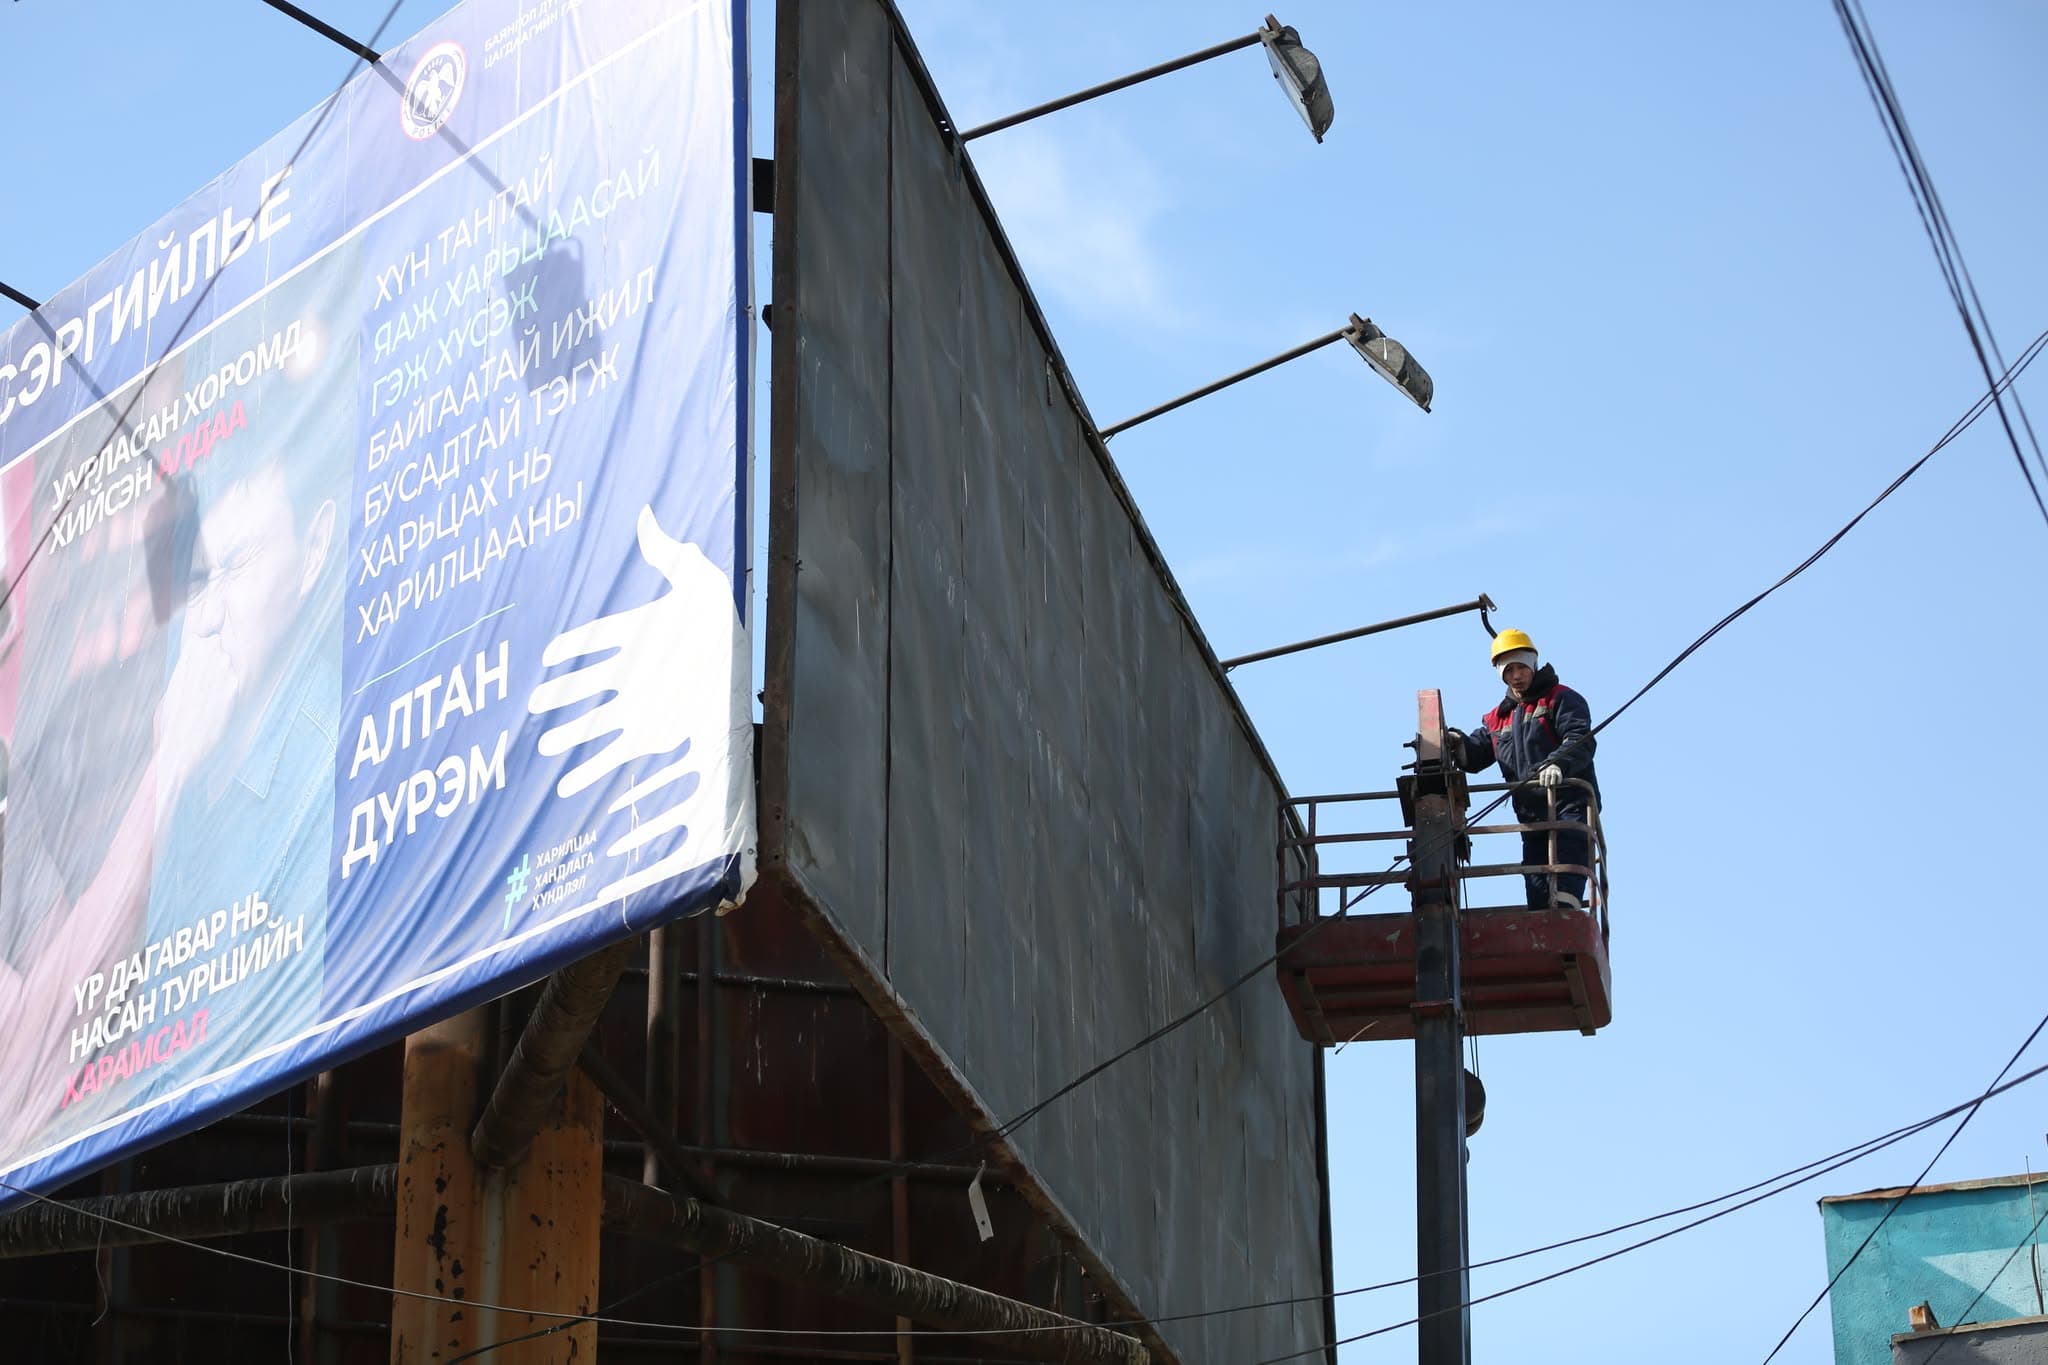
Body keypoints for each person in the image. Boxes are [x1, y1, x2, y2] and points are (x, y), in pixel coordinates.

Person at [1447, 629, 1600, 910]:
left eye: (1521, 667)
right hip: (1531, 813)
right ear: (1501, 674)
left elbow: (1579, 738)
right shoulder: (1498, 717)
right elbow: (1478, 754)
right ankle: (1543, 916)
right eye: (1509, 670)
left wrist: (1556, 763)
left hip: (1569, 802)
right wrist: (1456, 745)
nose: (1516, 675)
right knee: (1536, 880)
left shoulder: (1560, 699)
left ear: (1533, 665)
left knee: (1568, 863)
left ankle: (1567, 912)